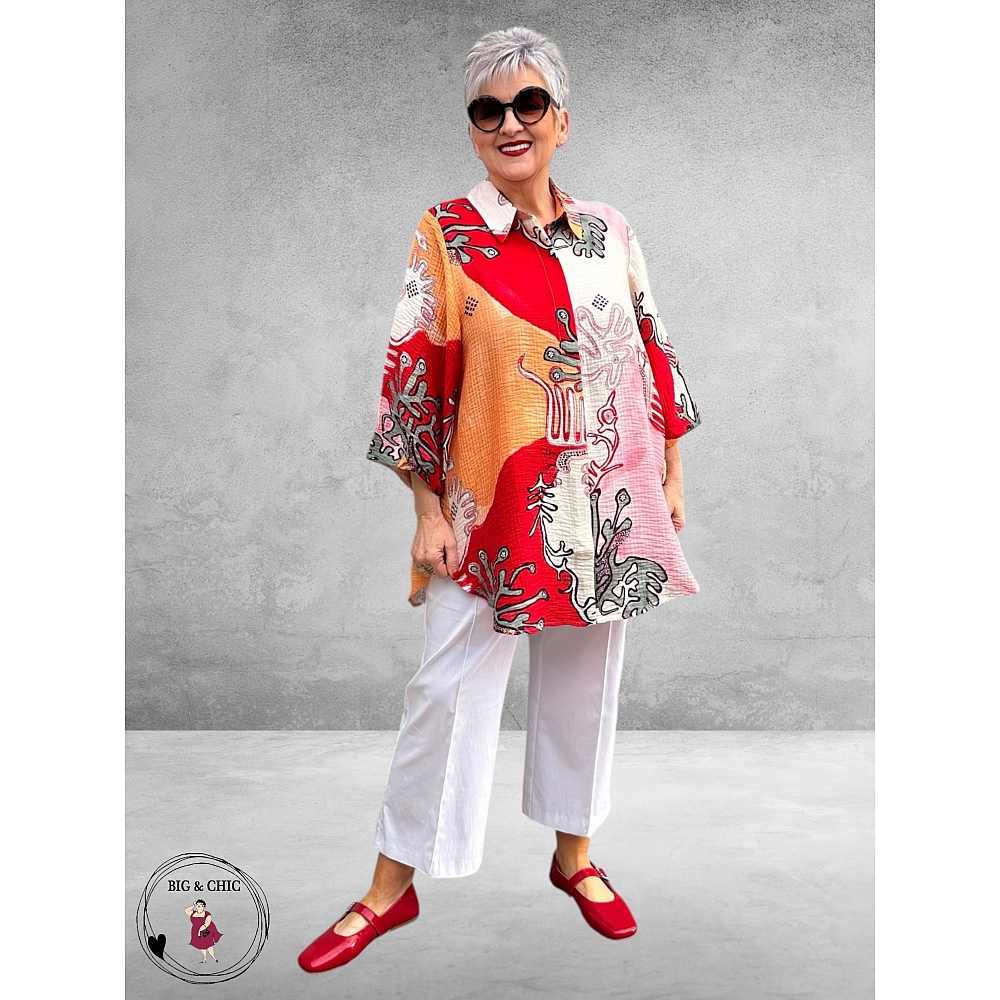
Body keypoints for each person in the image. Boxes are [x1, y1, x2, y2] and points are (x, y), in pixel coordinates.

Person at [298, 25, 700, 974]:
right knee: (444, 693)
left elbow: (650, 346)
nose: (509, 123)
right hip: (488, 506)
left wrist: (671, 474)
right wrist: (426, 509)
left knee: (586, 682)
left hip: (608, 496)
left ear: (562, 119)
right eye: (488, 110)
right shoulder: (449, 233)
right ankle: (389, 890)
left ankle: (576, 858)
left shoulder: (609, 231)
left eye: (528, 104)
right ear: (474, 129)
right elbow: (413, 369)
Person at [185, 899, 222, 963]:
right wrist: (193, 905)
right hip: (195, 931)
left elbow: (207, 923)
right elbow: (186, 910)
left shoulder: (207, 914)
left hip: (206, 931)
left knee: (209, 945)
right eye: (197, 904)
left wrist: (200, 930)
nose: (199, 906)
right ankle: (205, 958)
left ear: (204, 906)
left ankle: (214, 958)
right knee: (201, 946)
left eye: (201, 905)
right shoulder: (193, 913)